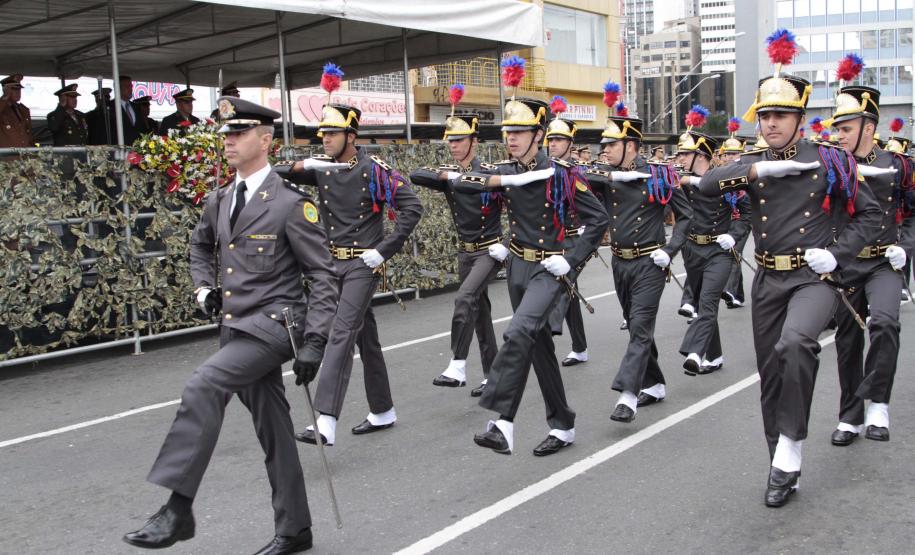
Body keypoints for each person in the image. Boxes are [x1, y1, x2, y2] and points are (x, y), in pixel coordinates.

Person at [122, 97, 340, 553]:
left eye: (239, 133)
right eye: (226, 134)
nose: (229, 141)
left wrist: (316, 340)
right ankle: (296, 529)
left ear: (266, 140)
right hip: (236, 328)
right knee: (275, 431)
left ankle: (178, 508)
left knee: (204, 385)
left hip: (277, 326)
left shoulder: (290, 204)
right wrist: (204, 290)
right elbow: (201, 249)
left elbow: (322, 275)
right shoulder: (220, 199)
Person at [697, 51, 881, 507]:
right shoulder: (755, 164)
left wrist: (834, 255)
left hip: (812, 279)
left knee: (797, 343)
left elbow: (871, 215)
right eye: (765, 115)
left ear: (800, 118)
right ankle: (779, 458)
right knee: (771, 376)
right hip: (768, 280)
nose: (771, 123)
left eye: (781, 115)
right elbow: (703, 184)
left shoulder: (829, 160)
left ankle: (791, 447)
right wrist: (759, 168)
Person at [453, 93, 608, 457]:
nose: (512, 137)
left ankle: (502, 421)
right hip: (518, 268)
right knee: (538, 348)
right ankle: (563, 424)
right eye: (508, 131)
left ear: (538, 135)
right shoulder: (505, 172)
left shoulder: (563, 172)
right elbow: (465, 184)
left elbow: (597, 219)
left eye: (520, 131)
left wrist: (571, 260)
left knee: (519, 330)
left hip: (549, 269)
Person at [281, 102, 423, 447]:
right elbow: (276, 171)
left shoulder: (374, 169)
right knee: (365, 338)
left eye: (331, 133)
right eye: (323, 133)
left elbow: (412, 206)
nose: (324, 139)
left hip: (363, 263)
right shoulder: (322, 167)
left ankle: (325, 418)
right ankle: (383, 409)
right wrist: (305, 163)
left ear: (351, 136)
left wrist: (383, 250)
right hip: (332, 265)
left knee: (340, 331)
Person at [584, 100, 691, 421]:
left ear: (631, 145)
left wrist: (670, 251)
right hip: (620, 261)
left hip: (650, 262)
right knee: (635, 325)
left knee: (641, 326)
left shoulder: (659, 175)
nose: (604, 150)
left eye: (611, 144)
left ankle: (628, 393)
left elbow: (686, 216)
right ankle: (655, 383)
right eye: (603, 145)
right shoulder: (606, 176)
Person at [825, 84, 914, 446]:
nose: (839, 135)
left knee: (886, 323)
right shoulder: (831, 164)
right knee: (846, 341)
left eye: (846, 128)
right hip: (847, 265)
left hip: (884, 262)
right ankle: (850, 416)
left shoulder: (898, 166)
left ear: (869, 128)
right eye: (838, 128)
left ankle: (877, 402)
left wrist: (906, 248)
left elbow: (913, 215)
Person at [409, 100, 500, 397]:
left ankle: (457, 365)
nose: (453, 146)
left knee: (464, 298)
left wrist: (507, 245)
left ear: (474, 141)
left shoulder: (489, 171)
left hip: (489, 251)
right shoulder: (449, 175)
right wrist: (451, 176)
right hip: (465, 253)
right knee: (480, 313)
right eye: (450, 141)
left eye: (459, 140)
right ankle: (494, 376)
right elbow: (416, 174)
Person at [675, 118, 751, 376]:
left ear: (701, 156)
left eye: (685, 154)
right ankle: (715, 356)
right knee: (701, 300)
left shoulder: (725, 180)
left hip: (718, 251)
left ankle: (695, 353)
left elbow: (746, 212)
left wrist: (734, 235)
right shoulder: (681, 181)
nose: (680, 158)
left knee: (707, 304)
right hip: (693, 250)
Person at [542, 96, 591, 367]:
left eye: (559, 140)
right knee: (570, 291)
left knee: (563, 283)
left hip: (574, 239)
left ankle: (550, 325)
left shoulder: (576, 172)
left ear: (570, 144)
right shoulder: (542, 170)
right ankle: (580, 347)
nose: (553, 144)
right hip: (552, 239)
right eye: (550, 140)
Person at [719, 121, 749, 308]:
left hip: (743, 219)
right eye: (727, 154)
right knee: (731, 253)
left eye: (734, 153)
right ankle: (737, 295)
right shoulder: (719, 173)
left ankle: (730, 290)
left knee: (734, 253)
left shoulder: (746, 171)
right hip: (726, 220)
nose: (730, 157)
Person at [0, 74, 33, 148]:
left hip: (25, 156)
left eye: (19, 89)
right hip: (8, 157)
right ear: (6, 90)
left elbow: (29, 135)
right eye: (14, 89)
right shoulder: (2, 109)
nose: (18, 92)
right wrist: (4, 97)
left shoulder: (23, 110)